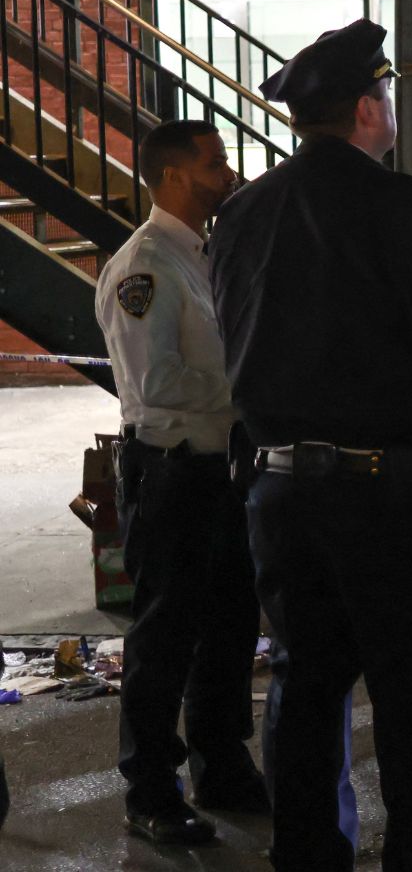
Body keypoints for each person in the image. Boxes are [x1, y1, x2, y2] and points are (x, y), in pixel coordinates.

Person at [208, 20, 412, 870]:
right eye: (384, 96)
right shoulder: (391, 202)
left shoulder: (240, 212)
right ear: (367, 109)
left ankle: (308, 858)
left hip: (278, 489)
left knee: (305, 686)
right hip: (390, 497)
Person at [94, 119, 264, 847]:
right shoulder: (145, 267)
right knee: (166, 635)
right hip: (171, 472)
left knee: (230, 625)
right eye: (215, 164)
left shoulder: (203, 255)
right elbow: (156, 380)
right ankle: (151, 787)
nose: (227, 174)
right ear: (172, 178)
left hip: (219, 470)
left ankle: (221, 763)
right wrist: (248, 386)